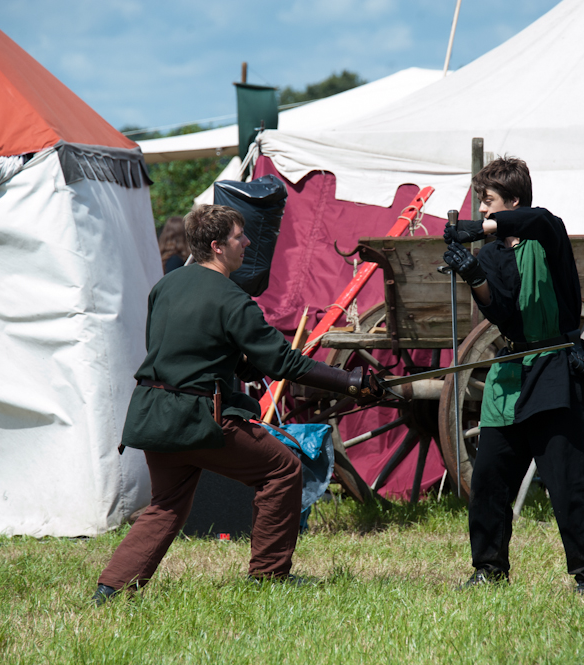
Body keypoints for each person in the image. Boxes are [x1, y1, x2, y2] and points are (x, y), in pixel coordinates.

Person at [93, 204, 381, 604]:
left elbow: (182, 349)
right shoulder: (232, 298)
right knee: (282, 470)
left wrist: (238, 362)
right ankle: (269, 574)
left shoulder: (165, 286)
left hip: (151, 414)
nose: (246, 242)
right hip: (196, 418)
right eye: (238, 236)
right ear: (216, 246)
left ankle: (110, 590)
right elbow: (284, 362)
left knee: (166, 506)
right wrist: (349, 381)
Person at [442, 156, 584, 594]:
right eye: (480, 203)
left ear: (512, 202)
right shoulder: (495, 255)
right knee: (489, 480)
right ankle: (489, 570)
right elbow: (504, 315)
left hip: (554, 369)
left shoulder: (547, 234)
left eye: (489, 201)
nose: (481, 210)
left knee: (566, 482)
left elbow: (538, 218)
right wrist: (474, 274)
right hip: (509, 373)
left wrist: (477, 230)